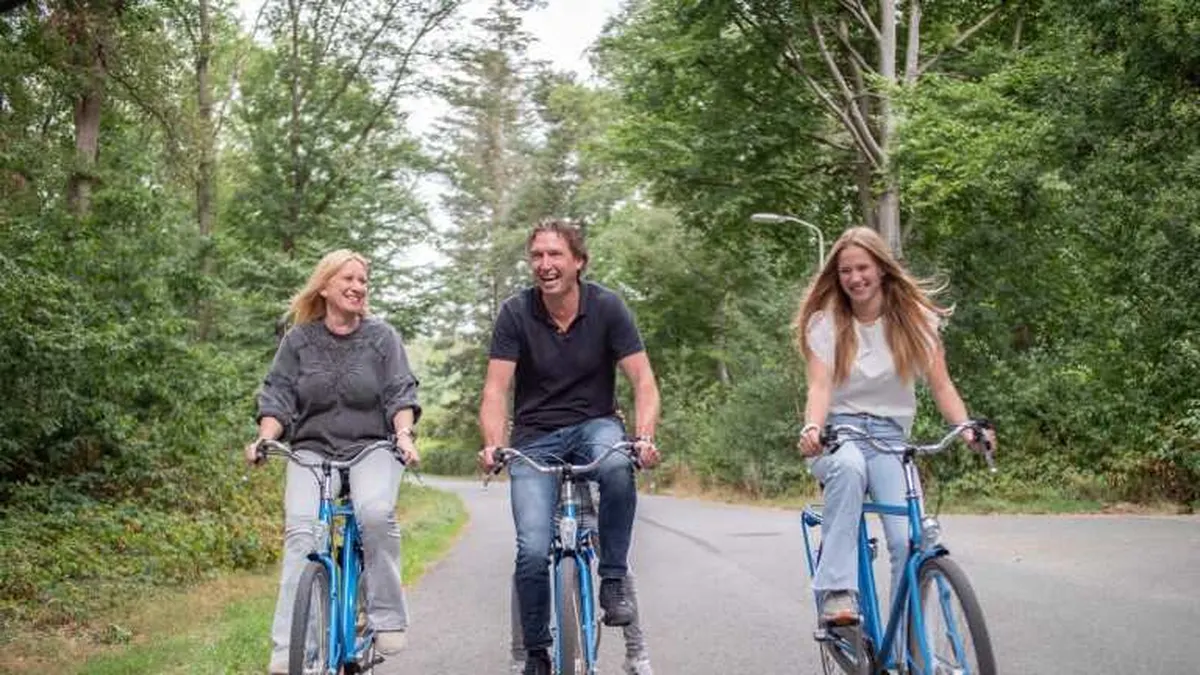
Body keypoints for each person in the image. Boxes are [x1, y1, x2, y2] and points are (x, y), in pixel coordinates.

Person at [479, 219, 661, 675]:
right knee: (532, 549)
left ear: (578, 261)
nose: (545, 264)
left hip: (593, 425)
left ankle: (613, 578)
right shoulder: (515, 313)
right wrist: (493, 444)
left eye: (555, 255)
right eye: (537, 256)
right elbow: (495, 391)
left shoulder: (607, 307)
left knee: (618, 464)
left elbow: (643, 380)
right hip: (535, 439)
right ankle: (536, 654)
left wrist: (643, 436)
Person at [793, 227, 996, 627]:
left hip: (890, 440)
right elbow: (818, 386)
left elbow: (942, 384)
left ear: (882, 269)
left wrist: (968, 428)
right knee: (848, 468)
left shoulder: (915, 321)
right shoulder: (828, 323)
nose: (855, 278)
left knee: (910, 542)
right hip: (840, 434)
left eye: (863, 267)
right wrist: (811, 428)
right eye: (846, 270)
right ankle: (837, 590)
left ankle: (909, 648)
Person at [244, 249, 420, 675]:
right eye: (349, 279)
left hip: (372, 447)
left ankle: (386, 617)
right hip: (312, 449)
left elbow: (400, 392)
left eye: (363, 280)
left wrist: (403, 435)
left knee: (375, 514)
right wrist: (266, 438)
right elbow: (279, 396)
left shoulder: (382, 338)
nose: (358, 287)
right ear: (324, 287)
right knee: (302, 535)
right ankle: (289, 649)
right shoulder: (299, 341)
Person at [508, 476, 654, 675]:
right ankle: (521, 658)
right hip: (548, 509)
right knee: (525, 570)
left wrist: (641, 444)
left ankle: (636, 655)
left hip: (594, 509)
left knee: (621, 569)